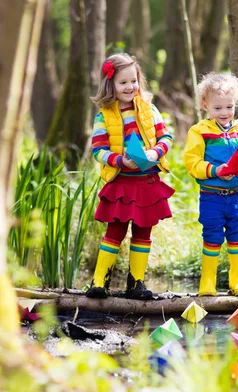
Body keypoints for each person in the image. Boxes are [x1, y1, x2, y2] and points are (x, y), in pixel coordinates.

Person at [86, 53, 174, 300]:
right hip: (122, 183)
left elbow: (166, 137)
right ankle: (99, 282)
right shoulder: (105, 115)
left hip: (147, 183)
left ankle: (136, 283)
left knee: (144, 231)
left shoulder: (149, 109)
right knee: (115, 230)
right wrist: (119, 160)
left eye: (133, 81)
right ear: (110, 84)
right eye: (123, 82)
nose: (130, 87)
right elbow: (98, 150)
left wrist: (155, 152)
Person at [183, 72, 238, 297]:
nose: (225, 113)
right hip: (212, 197)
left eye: (229, 107)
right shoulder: (199, 131)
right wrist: (215, 170)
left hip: (237, 196)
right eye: (218, 108)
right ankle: (207, 284)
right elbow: (192, 163)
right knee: (212, 236)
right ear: (205, 105)